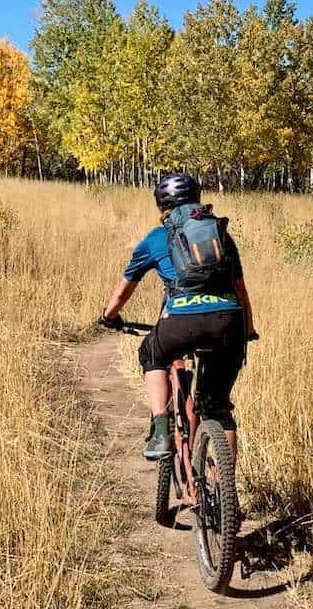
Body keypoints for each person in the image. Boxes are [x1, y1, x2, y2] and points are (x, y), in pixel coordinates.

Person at [99, 172, 257, 460]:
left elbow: (123, 293)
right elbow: (241, 290)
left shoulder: (156, 238)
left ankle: (161, 430)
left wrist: (109, 317)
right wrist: (247, 329)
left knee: (152, 353)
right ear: (196, 198)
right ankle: (224, 490)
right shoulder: (220, 234)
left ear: (162, 205)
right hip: (228, 321)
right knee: (219, 407)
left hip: (181, 323)